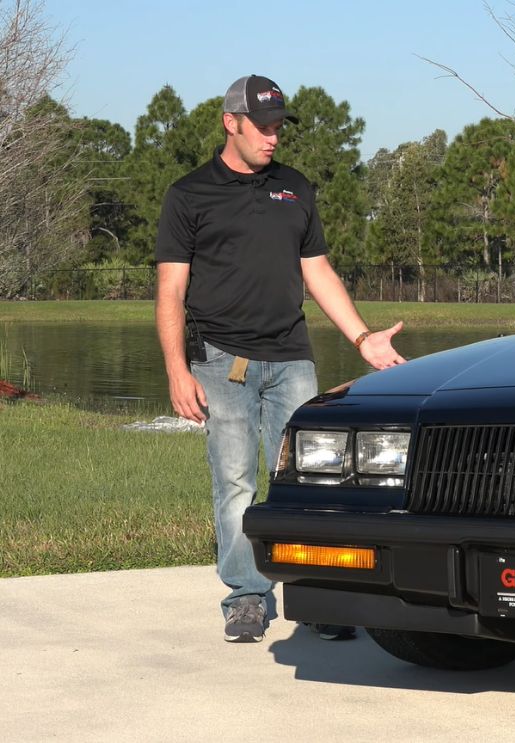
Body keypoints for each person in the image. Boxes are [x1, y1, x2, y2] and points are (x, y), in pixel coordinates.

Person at [155, 74, 404, 643]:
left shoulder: (295, 188)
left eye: (278, 128)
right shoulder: (189, 194)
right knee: (236, 482)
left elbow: (317, 271)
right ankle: (246, 595)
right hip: (221, 362)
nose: (272, 138)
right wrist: (176, 369)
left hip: (293, 358)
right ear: (231, 123)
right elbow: (170, 290)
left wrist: (363, 339)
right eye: (262, 128)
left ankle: (320, 595)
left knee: (317, 480)